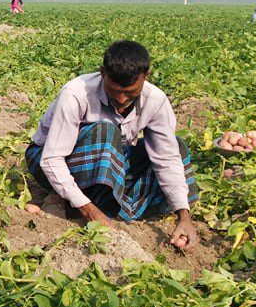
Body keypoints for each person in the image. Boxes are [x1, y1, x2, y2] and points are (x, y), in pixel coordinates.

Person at [25, 40, 200, 251]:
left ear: (146, 77)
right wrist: (88, 210)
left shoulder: (155, 100)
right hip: (49, 159)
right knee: (105, 132)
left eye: (130, 92)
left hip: (108, 160)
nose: (120, 99)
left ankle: (100, 200)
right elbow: (52, 159)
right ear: (102, 73)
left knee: (176, 148)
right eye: (114, 90)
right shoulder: (76, 94)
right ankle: (72, 200)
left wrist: (183, 215)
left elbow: (166, 158)